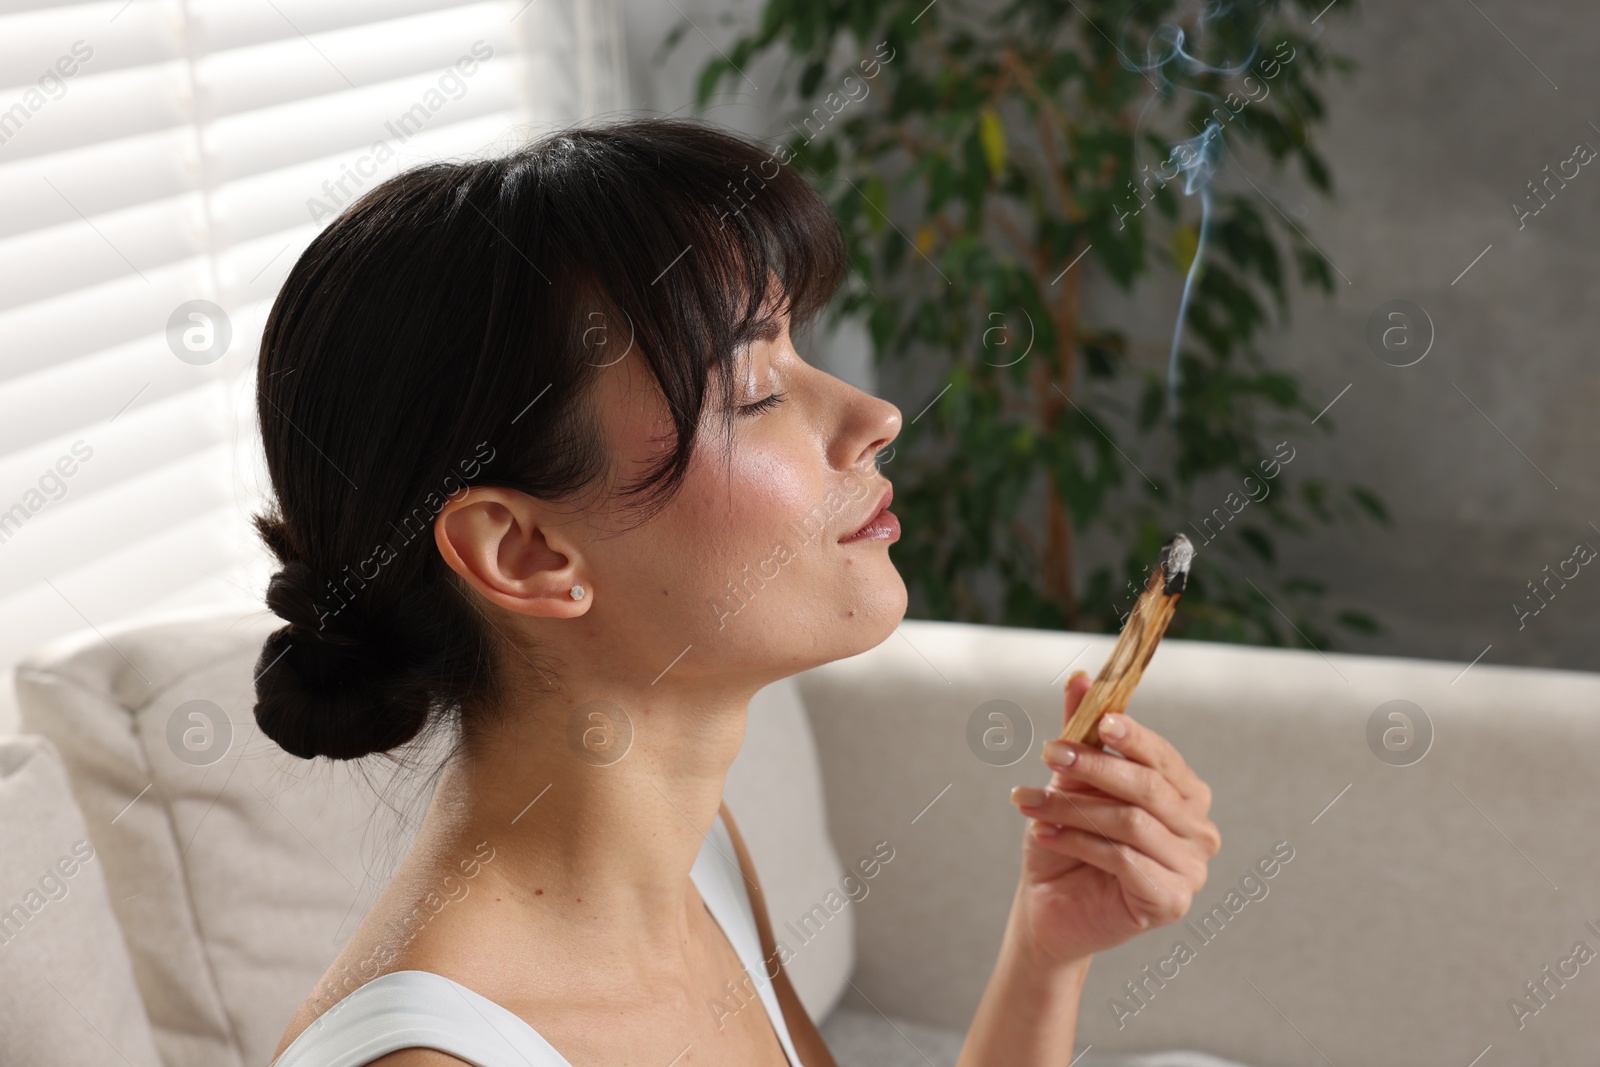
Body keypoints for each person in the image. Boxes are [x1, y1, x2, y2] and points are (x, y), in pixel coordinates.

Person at [255, 116, 1220, 1067]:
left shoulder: (698, 857)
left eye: (798, 347)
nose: (876, 416)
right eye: (755, 389)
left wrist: (1046, 951)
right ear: (524, 554)